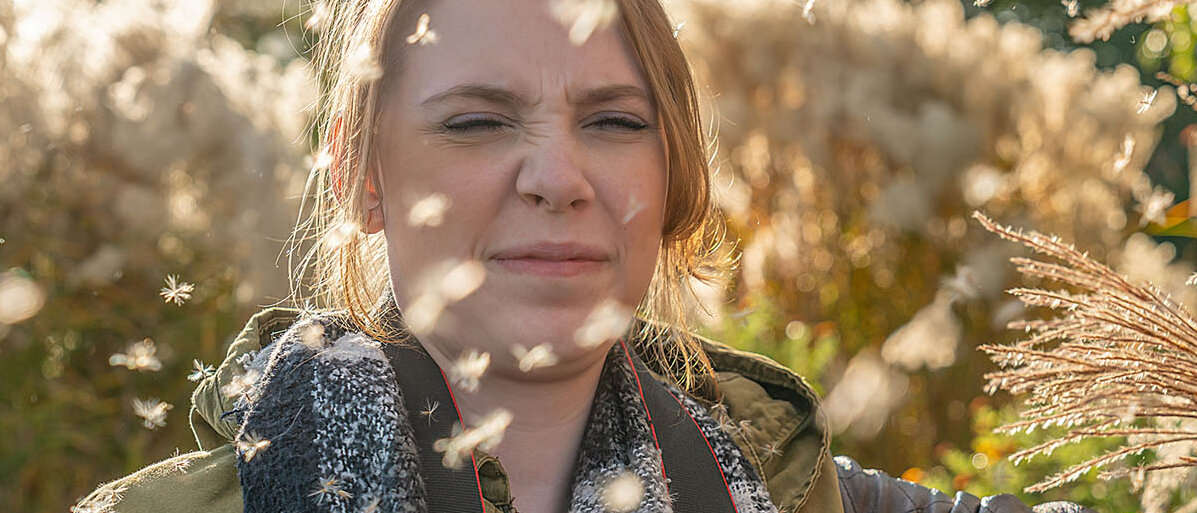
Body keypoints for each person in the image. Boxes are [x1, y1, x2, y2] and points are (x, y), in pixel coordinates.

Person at [77, 1, 1094, 512]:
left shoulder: (791, 487)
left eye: (613, 122)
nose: (559, 177)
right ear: (360, 172)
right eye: (477, 123)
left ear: (672, 172)